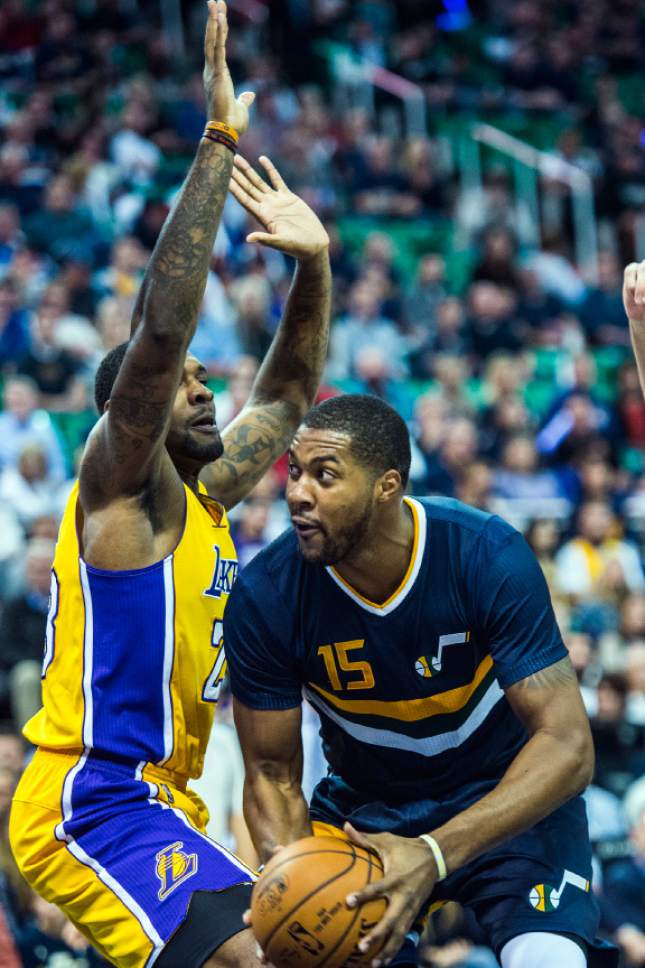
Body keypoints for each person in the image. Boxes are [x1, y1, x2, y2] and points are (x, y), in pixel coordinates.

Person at [9, 4, 331, 967]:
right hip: (92, 798)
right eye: (188, 383)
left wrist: (312, 265)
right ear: (132, 419)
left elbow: (283, 392)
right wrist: (218, 137)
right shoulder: (122, 496)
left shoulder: (202, 499)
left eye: (203, 377)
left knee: (309, 946)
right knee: (267, 956)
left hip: (165, 801)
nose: (205, 386)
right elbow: (156, 331)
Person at [225, 393, 618, 968]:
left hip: (507, 796)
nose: (297, 494)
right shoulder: (265, 595)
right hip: (368, 815)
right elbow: (271, 773)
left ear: (387, 486)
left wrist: (434, 852)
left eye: (324, 476)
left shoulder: (484, 554)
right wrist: (292, 880)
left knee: (549, 959)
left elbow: (568, 746)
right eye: (295, 472)